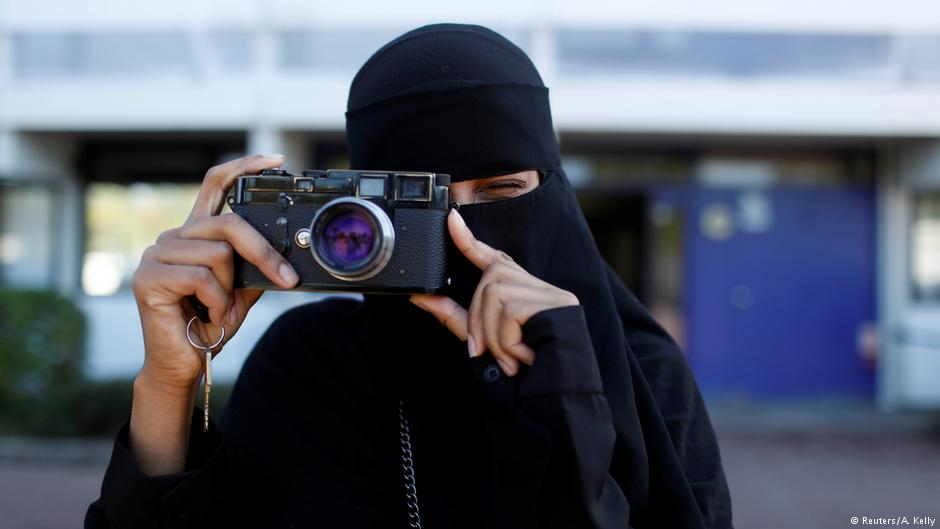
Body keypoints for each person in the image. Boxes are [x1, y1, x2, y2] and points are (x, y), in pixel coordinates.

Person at [85, 23, 732, 529]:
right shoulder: (311, 364)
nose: (461, 228)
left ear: (551, 190)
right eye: (420, 200)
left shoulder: (640, 369)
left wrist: (565, 392)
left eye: (502, 188)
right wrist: (169, 380)